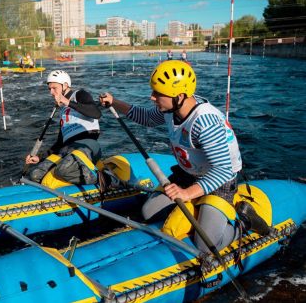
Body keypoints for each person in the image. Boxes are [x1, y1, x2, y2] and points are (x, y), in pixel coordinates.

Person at [99, 60, 270, 252]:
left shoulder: (205, 123)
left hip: (218, 182)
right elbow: (146, 118)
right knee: (148, 212)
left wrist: (186, 194)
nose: (152, 97)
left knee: (206, 245)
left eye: (157, 93)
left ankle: (244, 222)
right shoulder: (172, 109)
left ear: (179, 96)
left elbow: (223, 171)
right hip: (188, 175)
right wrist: (114, 102)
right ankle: (196, 207)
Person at [26, 70, 117, 189]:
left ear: (65, 85)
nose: (51, 92)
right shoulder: (63, 110)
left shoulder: (79, 94)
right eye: (49, 89)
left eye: (54, 88)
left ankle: (108, 179)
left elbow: (96, 113)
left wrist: (67, 102)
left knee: (63, 170)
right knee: (35, 174)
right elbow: (60, 142)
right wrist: (40, 157)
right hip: (66, 150)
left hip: (87, 146)